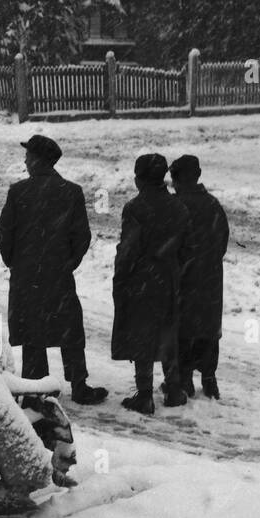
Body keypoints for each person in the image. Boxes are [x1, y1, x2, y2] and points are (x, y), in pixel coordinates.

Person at [0, 134, 107, 405]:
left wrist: (17, 263)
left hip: (27, 276)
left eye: (28, 156)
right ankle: (79, 385)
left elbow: (3, 234)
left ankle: (35, 391)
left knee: (33, 333)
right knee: (69, 328)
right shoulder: (71, 192)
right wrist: (67, 263)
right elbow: (82, 237)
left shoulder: (18, 192)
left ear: (36, 160)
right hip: (59, 275)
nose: (24, 160)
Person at [111, 153, 193, 415]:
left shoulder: (135, 208)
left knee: (143, 335)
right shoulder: (179, 207)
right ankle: (174, 389)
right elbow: (187, 248)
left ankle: (144, 394)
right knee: (168, 333)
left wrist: (120, 278)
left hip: (141, 279)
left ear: (141, 179)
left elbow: (128, 250)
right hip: (169, 279)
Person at [170, 154, 230, 400]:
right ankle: (209, 378)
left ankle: (184, 378)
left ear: (178, 179)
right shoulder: (213, 204)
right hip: (210, 277)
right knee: (208, 327)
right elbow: (222, 240)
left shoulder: (176, 206)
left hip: (182, 278)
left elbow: (171, 243)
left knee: (182, 328)